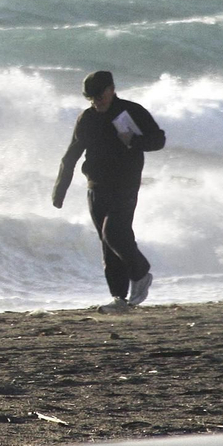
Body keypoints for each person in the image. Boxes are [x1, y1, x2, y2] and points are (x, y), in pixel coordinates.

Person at [51, 70, 165, 312]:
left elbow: (158, 140)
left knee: (113, 233)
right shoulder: (86, 118)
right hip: (96, 186)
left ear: (111, 90)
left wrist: (134, 141)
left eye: (100, 97)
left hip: (125, 183)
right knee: (108, 244)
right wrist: (60, 190)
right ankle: (119, 299)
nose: (96, 102)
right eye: (91, 98)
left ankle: (141, 273)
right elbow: (71, 154)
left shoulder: (131, 111)